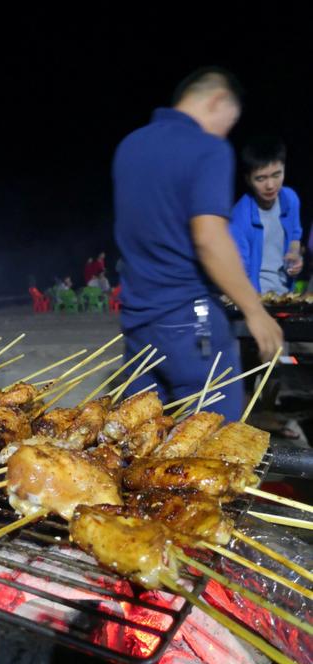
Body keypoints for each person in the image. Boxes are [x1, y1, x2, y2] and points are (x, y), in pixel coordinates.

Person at [114, 67, 282, 421]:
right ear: (218, 100)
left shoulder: (129, 146)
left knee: (142, 441)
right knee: (215, 446)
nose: (225, 133)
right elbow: (209, 237)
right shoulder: (208, 149)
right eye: (228, 123)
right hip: (190, 322)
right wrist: (255, 311)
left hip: (136, 321)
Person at [230, 137, 303, 294]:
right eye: (261, 178)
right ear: (248, 179)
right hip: (257, 297)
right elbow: (241, 271)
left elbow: (295, 235)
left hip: (286, 295)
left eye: (276, 175)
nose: (270, 185)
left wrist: (294, 254)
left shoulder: (290, 199)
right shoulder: (239, 218)